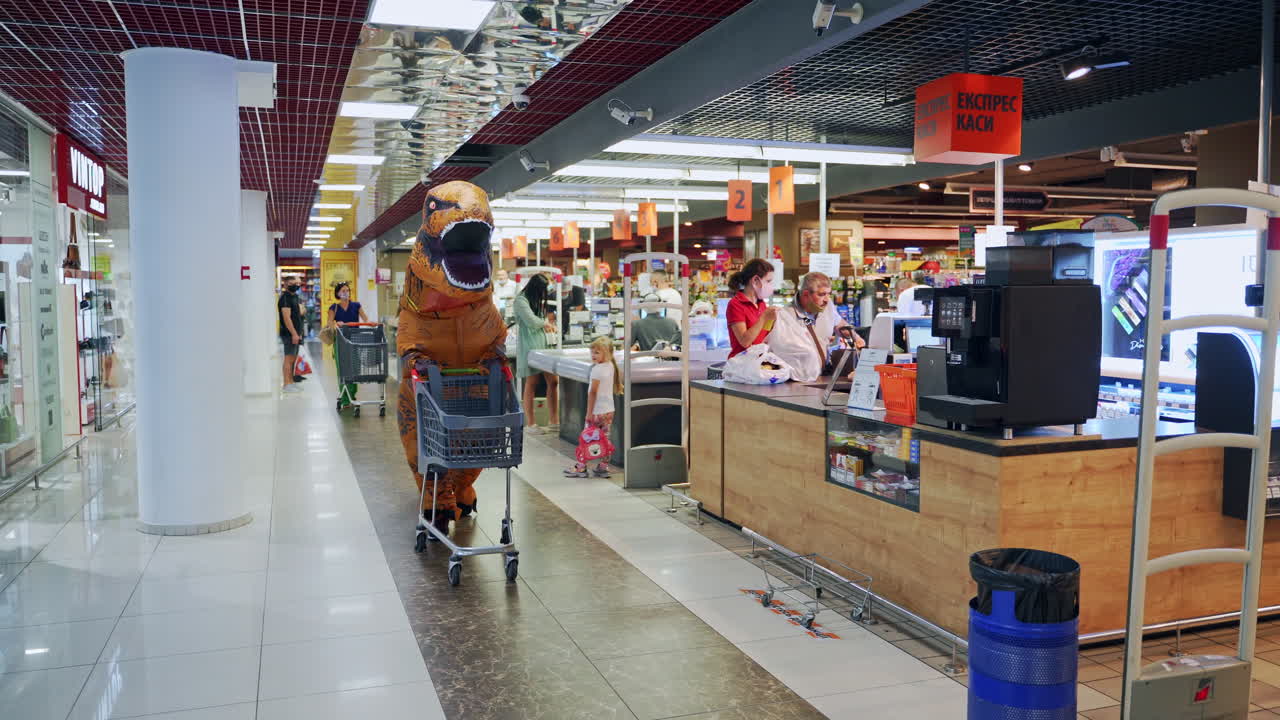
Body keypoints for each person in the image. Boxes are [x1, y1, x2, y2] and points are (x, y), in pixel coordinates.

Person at [768, 272, 866, 382]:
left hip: (823, 375)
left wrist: (855, 337)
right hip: (798, 380)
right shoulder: (786, 316)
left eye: (829, 294)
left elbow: (839, 324)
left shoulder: (827, 306)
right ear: (805, 294)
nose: (827, 299)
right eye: (821, 294)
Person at [565, 335, 621, 478]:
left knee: (586, 439)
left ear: (607, 353)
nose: (593, 355)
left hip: (596, 412)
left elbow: (593, 392)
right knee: (605, 440)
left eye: (597, 352)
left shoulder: (597, 370)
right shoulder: (611, 366)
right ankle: (603, 467)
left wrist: (589, 413)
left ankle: (582, 467)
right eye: (592, 352)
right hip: (609, 410)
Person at [515, 273, 559, 432]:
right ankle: (531, 423)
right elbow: (532, 321)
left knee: (553, 382)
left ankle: (554, 421)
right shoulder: (521, 300)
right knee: (531, 383)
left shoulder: (536, 299)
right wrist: (546, 323)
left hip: (545, 346)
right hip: (530, 346)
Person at [327, 282, 369, 407]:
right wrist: (336, 324)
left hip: (355, 340)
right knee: (343, 370)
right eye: (343, 291)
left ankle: (352, 393)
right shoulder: (333, 307)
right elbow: (330, 324)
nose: (346, 293)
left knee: (354, 368)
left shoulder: (356, 305)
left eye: (347, 290)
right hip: (340, 341)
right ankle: (345, 398)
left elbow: (365, 319)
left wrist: (371, 324)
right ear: (338, 293)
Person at [725, 259, 777, 358]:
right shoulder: (735, 304)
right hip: (741, 364)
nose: (771, 286)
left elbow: (763, 335)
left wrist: (773, 322)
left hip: (758, 360)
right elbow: (745, 342)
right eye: (768, 281)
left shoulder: (761, 304)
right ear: (755, 280)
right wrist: (764, 317)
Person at [278, 275, 304, 394]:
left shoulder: (295, 297)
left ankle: (291, 381)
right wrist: (293, 334)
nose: (296, 286)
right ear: (286, 285)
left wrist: (299, 333)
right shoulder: (285, 299)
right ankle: (286, 383)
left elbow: (299, 314)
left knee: (293, 358)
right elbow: (287, 318)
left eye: (297, 283)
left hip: (296, 332)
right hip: (289, 333)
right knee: (288, 358)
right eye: (293, 283)